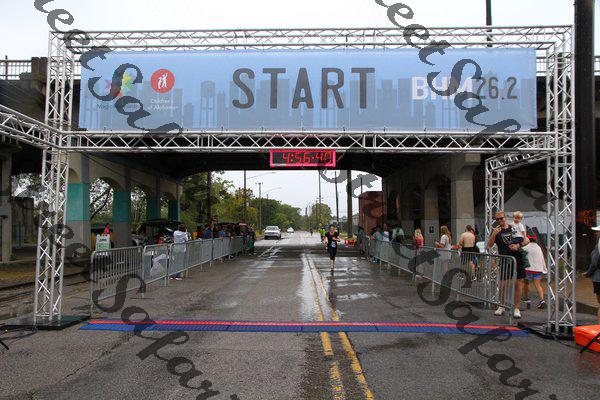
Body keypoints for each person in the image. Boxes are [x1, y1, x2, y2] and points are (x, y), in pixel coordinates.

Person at [487, 210, 526, 319]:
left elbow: (526, 240)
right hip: (505, 260)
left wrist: (518, 245)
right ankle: (501, 306)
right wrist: (494, 234)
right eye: (497, 219)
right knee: (502, 284)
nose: (500, 220)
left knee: (518, 283)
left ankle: (517, 308)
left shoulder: (513, 227)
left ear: (505, 218)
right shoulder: (496, 230)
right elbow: (489, 245)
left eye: (501, 218)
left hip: (517, 258)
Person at [522, 235, 547, 309]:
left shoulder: (526, 247)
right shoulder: (539, 248)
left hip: (528, 269)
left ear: (529, 240)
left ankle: (526, 298)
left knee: (526, 283)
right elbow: (542, 258)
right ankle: (542, 300)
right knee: (538, 285)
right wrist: (544, 268)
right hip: (538, 269)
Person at [584, 225, 600, 323]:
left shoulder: (599, 245)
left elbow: (594, 262)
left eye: (598, 231)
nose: (596, 233)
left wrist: (588, 273)